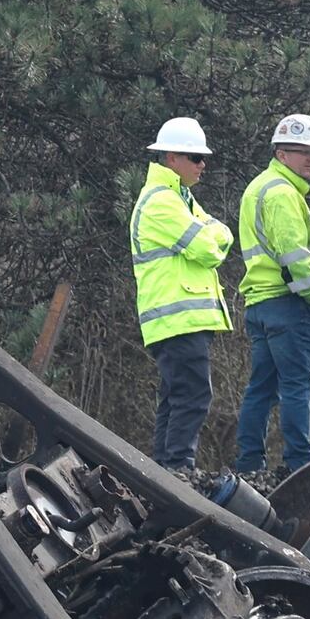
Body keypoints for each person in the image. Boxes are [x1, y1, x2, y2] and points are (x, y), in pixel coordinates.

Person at [129, 117, 235, 472]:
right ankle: (177, 469)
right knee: (193, 397)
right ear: (172, 158)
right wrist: (209, 233)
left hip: (180, 321)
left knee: (175, 400)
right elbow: (210, 247)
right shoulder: (162, 202)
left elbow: (222, 232)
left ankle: (165, 472)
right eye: (195, 157)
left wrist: (211, 232)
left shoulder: (179, 198)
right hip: (178, 320)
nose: (202, 164)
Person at [230, 113, 310, 474]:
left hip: (259, 303)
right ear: (280, 153)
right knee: (297, 387)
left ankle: (248, 465)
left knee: (261, 388)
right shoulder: (283, 194)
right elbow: (294, 258)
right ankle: (299, 465)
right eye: (301, 151)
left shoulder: (258, 187)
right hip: (288, 304)